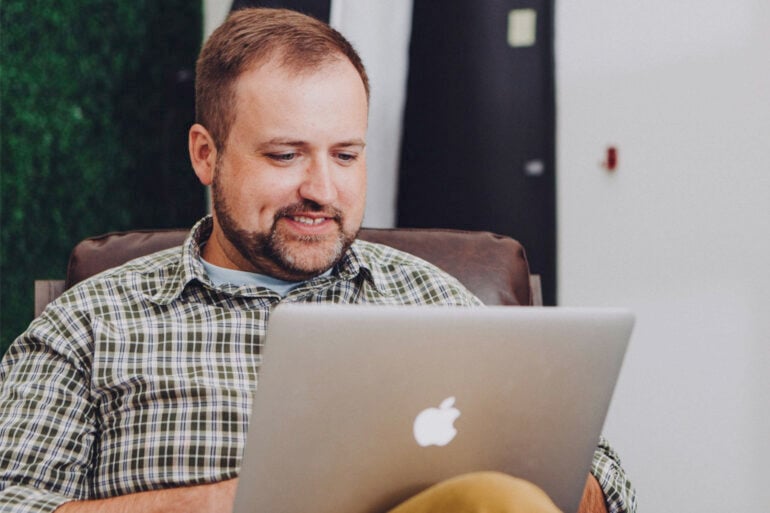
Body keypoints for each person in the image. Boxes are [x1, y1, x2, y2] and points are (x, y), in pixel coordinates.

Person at [0, 8, 636, 513]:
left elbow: (607, 486)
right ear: (205, 154)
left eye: (346, 155)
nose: (322, 190)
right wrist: (239, 503)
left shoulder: (434, 300)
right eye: (285, 155)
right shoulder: (90, 323)